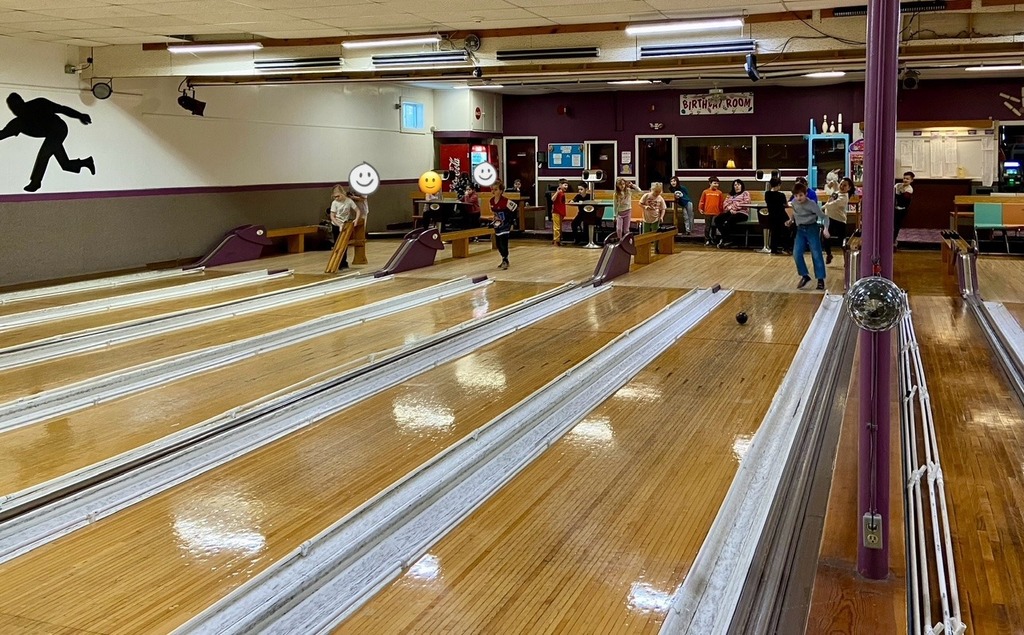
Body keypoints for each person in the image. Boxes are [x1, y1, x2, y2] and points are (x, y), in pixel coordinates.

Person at [0, 92, 95, 192]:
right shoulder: (18, 123)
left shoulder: (39, 104)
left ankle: (35, 182)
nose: (15, 110)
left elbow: (61, 109)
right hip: (52, 135)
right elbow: (3, 134)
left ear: (22, 103)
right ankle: (87, 162)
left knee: (43, 155)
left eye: (16, 106)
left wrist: (80, 115)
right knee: (65, 165)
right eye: (13, 109)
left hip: (59, 128)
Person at [787, 182, 827, 290]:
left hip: (812, 228)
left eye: (801, 195)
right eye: (796, 196)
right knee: (796, 253)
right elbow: (795, 213)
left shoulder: (812, 204)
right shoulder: (794, 203)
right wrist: (790, 221)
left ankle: (820, 279)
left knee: (816, 253)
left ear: (805, 194)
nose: (798, 198)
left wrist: (826, 229)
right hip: (800, 230)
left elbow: (824, 217)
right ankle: (805, 275)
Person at [821, 177, 852, 264]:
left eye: (844, 185)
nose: (842, 186)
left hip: (839, 221)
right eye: (841, 184)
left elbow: (831, 205)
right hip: (829, 219)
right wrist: (831, 183)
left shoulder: (844, 198)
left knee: (842, 242)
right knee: (825, 236)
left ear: (849, 188)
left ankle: (847, 260)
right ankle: (829, 254)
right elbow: (834, 183)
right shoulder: (837, 192)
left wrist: (821, 208)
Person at [329, 185, 359, 269]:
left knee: (344, 244)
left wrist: (356, 219)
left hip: (345, 224)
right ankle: (337, 263)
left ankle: (344, 262)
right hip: (336, 224)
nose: (337, 198)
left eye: (338, 196)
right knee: (337, 244)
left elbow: (357, 211)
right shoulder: (334, 203)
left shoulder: (349, 201)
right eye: (335, 197)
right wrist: (339, 224)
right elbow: (332, 216)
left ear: (343, 194)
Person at [489, 179, 517, 269]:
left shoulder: (506, 201)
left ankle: (505, 259)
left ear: (501, 191)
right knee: (498, 244)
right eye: (492, 189)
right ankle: (503, 258)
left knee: (503, 243)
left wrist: (512, 222)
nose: (493, 191)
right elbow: (494, 213)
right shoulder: (491, 201)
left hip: (506, 224)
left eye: (496, 189)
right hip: (497, 225)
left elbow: (514, 209)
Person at [715, 178, 751, 247]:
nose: (737, 186)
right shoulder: (730, 195)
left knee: (729, 221)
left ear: (742, 186)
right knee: (718, 219)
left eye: (738, 184)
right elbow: (725, 204)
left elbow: (746, 203)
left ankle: (727, 240)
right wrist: (730, 208)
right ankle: (727, 239)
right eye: (735, 185)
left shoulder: (745, 193)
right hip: (730, 212)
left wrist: (733, 207)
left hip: (742, 213)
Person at [764, 177, 790, 255]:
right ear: (778, 185)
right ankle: (785, 248)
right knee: (786, 232)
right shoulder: (781, 195)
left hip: (772, 216)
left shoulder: (767, 194)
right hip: (781, 216)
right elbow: (786, 205)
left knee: (774, 233)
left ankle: (774, 250)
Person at [640, 182, 667, 251]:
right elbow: (640, 203)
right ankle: (645, 248)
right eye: (655, 192)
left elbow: (663, 208)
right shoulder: (646, 196)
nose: (656, 194)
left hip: (655, 218)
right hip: (646, 218)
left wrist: (661, 217)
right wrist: (645, 207)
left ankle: (656, 248)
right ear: (651, 190)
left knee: (655, 233)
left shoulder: (660, 198)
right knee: (646, 234)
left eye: (658, 192)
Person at [698, 176, 724, 245]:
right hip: (707, 212)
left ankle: (713, 238)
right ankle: (706, 239)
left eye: (717, 183)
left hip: (716, 212)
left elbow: (721, 203)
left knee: (714, 226)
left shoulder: (719, 193)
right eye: (714, 183)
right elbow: (702, 201)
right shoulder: (705, 192)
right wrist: (700, 208)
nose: (716, 185)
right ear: (710, 183)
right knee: (707, 226)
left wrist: (721, 211)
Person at [894, 170, 915, 247]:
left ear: (911, 180)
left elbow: (904, 200)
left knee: (897, 225)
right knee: (893, 225)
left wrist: (898, 194)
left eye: (907, 179)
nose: (905, 180)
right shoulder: (898, 185)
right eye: (904, 178)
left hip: (902, 209)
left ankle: (894, 239)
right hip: (895, 208)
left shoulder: (909, 189)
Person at [551, 179, 568, 246]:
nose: (566, 186)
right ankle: (556, 240)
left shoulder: (563, 193)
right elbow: (552, 199)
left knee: (559, 227)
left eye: (567, 185)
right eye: (565, 185)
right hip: (556, 212)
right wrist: (557, 192)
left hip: (561, 212)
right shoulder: (558, 192)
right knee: (556, 227)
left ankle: (558, 239)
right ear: (560, 185)